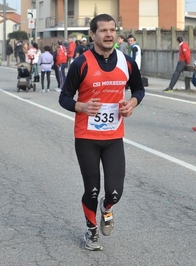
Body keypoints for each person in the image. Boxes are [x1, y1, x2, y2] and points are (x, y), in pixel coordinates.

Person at [59, 13, 145, 251]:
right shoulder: (81, 63)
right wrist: (81, 106)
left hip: (113, 137)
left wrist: (132, 103)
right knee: (92, 190)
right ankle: (91, 231)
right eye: (103, 30)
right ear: (93, 34)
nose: (109, 34)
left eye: (112, 30)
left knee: (114, 193)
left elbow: (139, 90)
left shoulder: (127, 62)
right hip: (86, 137)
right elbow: (64, 97)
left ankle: (107, 210)